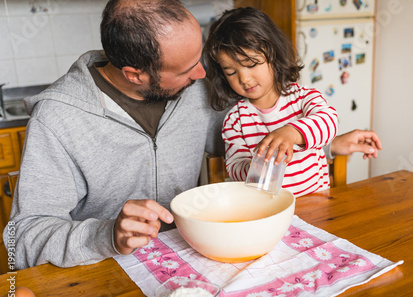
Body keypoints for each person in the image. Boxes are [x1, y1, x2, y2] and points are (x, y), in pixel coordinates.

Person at [5, 0, 226, 270]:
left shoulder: (195, 87)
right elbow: (24, 239)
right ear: (135, 75)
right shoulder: (56, 118)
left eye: (198, 57)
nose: (201, 74)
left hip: (187, 263)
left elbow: (238, 139)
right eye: (185, 70)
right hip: (104, 277)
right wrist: (106, 235)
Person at [204, 7, 339, 197]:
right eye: (231, 72)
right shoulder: (235, 121)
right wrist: (253, 168)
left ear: (273, 55)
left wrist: (293, 132)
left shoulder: (303, 97)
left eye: (251, 64)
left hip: (315, 201)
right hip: (267, 210)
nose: (244, 79)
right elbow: (234, 166)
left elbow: (329, 122)